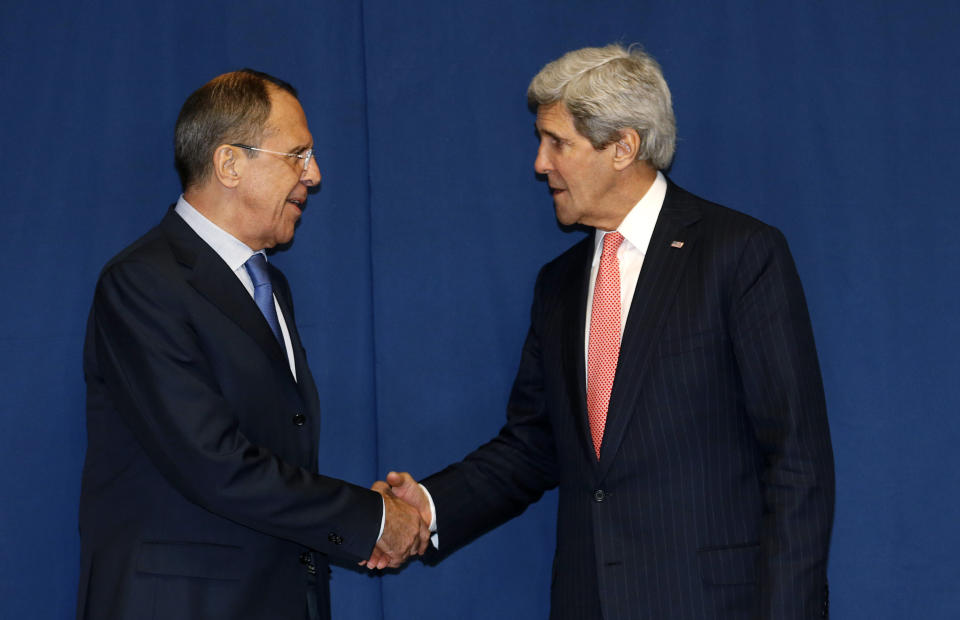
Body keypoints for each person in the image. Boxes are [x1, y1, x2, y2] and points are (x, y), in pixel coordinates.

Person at [372, 44, 835, 619]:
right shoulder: (559, 284)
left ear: (623, 146)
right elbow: (533, 447)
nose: (540, 163)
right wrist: (430, 507)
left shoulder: (738, 254)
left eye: (557, 142)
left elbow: (797, 461)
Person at [77, 69, 428, 620]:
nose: (314, 175)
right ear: (230, 163)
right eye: (298, 155)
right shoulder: (142, 283)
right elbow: (214, 463)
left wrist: (358, 525)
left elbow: (278, 446)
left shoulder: (269, 285)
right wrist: (371, 520)